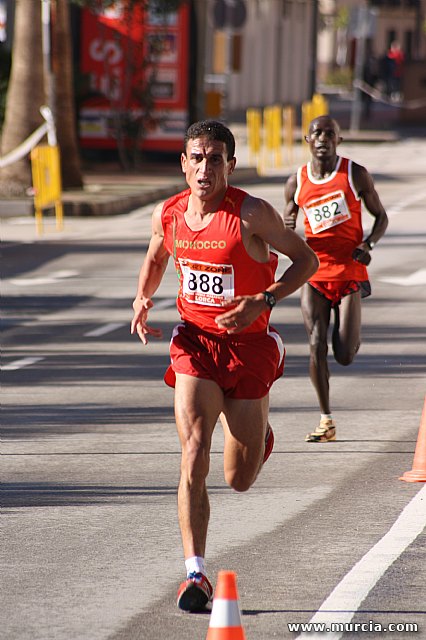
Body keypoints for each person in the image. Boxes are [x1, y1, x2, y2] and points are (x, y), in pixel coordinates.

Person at [131, 120, 319, 612]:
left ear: (230, 166)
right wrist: (142, 298)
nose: (205, 168)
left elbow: (306, 261)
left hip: (249, 348)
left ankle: (260, 436)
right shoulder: (168, 215)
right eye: (197, 157)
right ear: (184, 164)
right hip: (195, 343)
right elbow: (155, 257)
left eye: (215, 159)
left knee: (240, 478)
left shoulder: (252, 214)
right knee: (193, 449)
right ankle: (195, 574)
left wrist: (265, 298)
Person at [283, 115, 388, 443]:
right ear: (307, 140)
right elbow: (286, 222)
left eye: (330, 133)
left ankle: (351, 333)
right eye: (317, 132)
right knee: (315, 344)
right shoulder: (296, 181)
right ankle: (326, 419)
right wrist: (287, 236)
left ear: (339, 140)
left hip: (349, 273)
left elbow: (381, 216)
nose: (323, 138)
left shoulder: (355, 174)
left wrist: (367, 244)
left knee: (343, 354)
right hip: (314, 273)